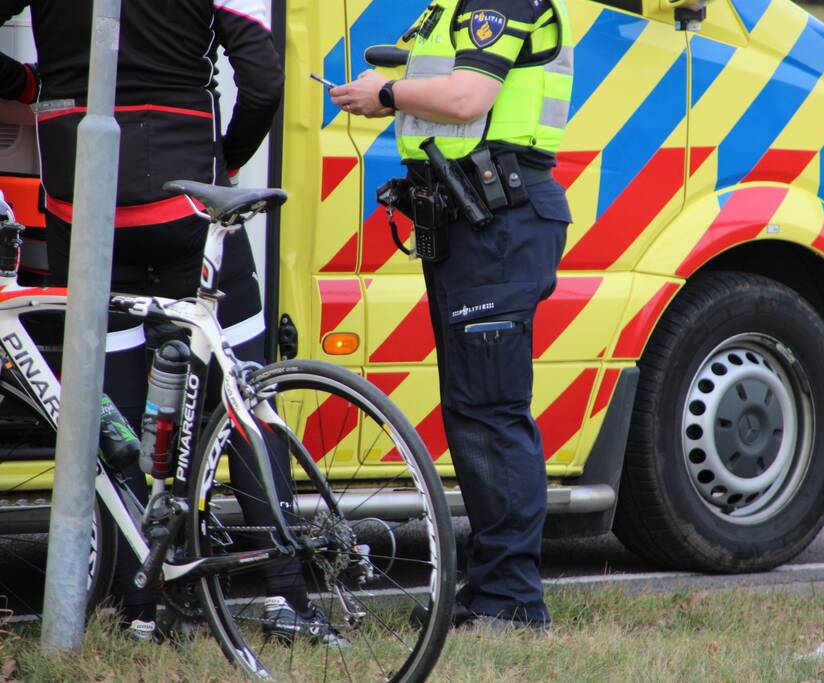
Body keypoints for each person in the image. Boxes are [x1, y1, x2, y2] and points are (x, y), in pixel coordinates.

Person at [0, 0, 340, 646]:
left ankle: (142, 606)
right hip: (183, 193)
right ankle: (284, 594)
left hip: (84, 197)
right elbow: (263, 79)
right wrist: (227, 161)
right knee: (244, 396)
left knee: (119, 410)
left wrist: (28, 85)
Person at [332, 0, 574, 630]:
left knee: (491, 412)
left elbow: (468, 97)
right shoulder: (450, 9)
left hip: (500, 220)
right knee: (473, 410)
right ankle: (489, 590)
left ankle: (515, 603)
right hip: (472, 221)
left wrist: (384, 93)